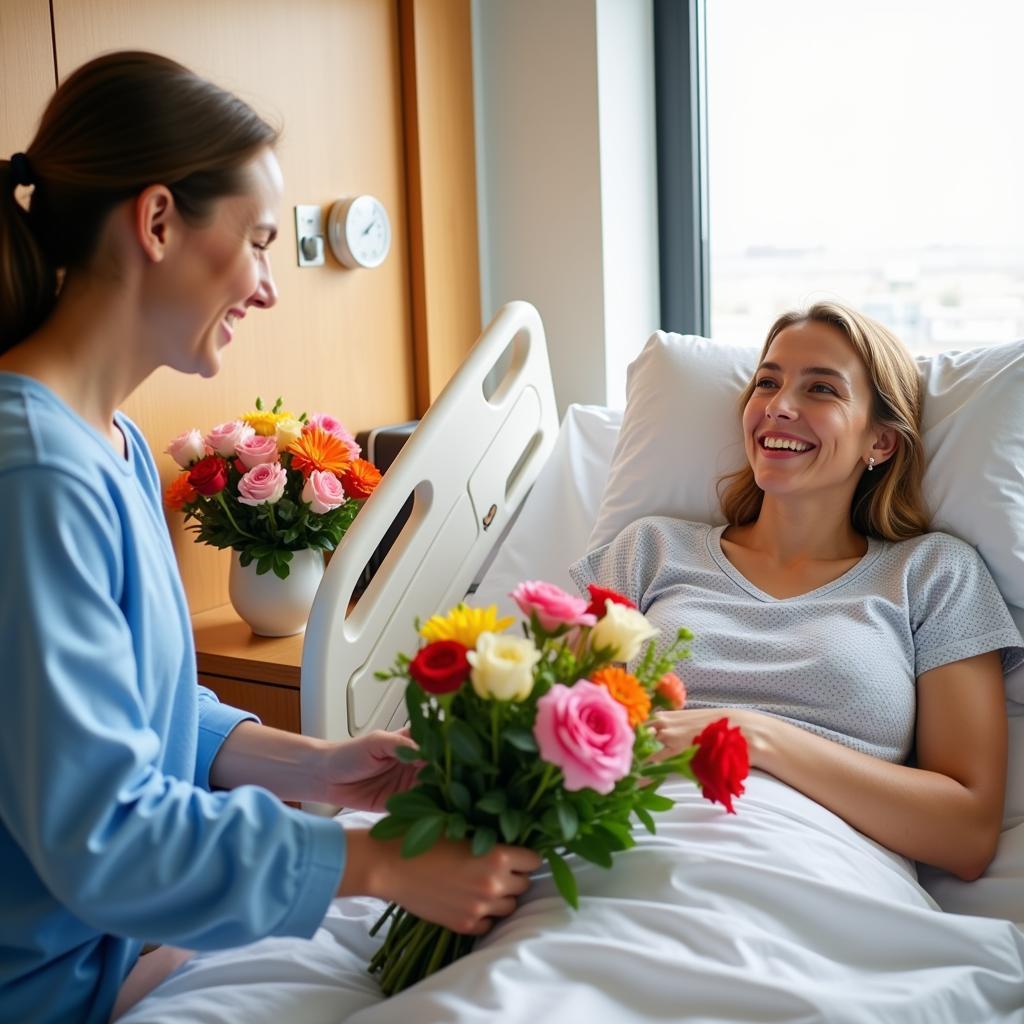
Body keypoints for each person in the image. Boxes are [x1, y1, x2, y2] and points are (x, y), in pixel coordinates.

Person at [0, 51, 539, 1023]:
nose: (267, 286)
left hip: (107, 948)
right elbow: (102, 834)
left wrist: (311, 765)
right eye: (255, 240)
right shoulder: (33, 479)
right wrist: (375, 861)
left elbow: (136, 713)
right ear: (158, 221)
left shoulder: (109, 443)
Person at [571, 301, 1023, 882]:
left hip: (817, 877)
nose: (779, 407)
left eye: (821, 390)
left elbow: (966, 834)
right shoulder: (649, 551)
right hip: (614, 862)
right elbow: (544, 733)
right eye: (768, 382)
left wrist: (755, 737)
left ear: (880, 442)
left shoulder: (933, 575)